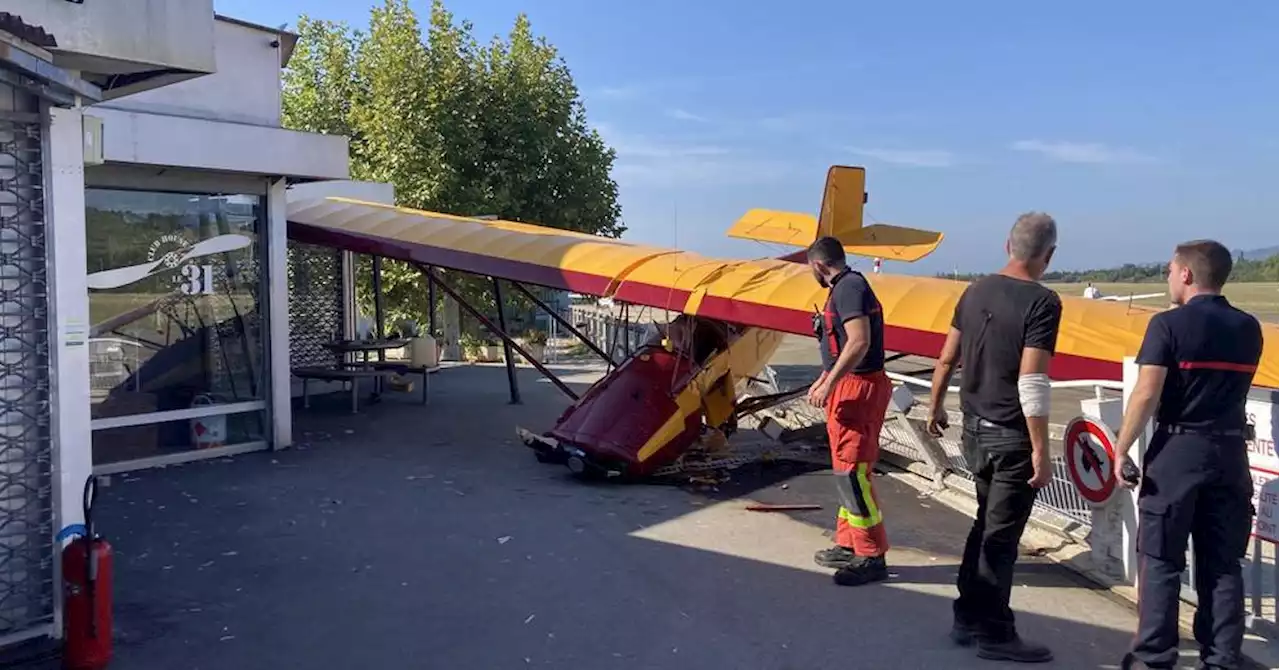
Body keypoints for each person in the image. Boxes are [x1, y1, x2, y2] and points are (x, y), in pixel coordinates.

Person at [1112, 240, 1262, 670]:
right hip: (1231, 453)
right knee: (1223, 561)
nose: (1168, 278)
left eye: (1170, 271)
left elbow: (1146, 392)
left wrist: (1122, 447)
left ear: (1187, 275)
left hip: (1178, 451)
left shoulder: (1168, 326)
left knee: (1160, 558)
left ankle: (1154, 658)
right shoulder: (1248, 327)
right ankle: (1222, 658)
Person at [926, 212, 1061, 663]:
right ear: (1049, 255)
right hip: (1010, 437)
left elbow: (946, 357)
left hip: (973, 431)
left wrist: (935, 406)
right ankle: (996, 632)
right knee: (1001, 537)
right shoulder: (1043, 302)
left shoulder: (974, 290)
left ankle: (966, 616)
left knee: (986, 523)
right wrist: (1041, 451)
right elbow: (1032, 381)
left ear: (1008, 245)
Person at [805, 235, 894, 587]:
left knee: (854, 473)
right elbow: (840, 345)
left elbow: (859, 341)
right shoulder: (846, 287)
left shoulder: (848, 288)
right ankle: (849, 542)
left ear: (818, 265)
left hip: (859, 388)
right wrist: (825, 377)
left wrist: (831, 383)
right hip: (848, 385)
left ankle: (872, 554)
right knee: (845, 469)